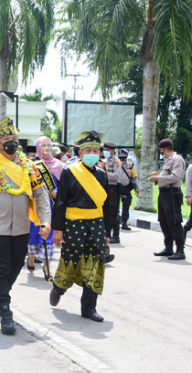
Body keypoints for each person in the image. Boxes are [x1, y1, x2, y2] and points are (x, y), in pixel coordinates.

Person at [0, 118, 51, 335]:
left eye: (14, 139)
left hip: (22, 228)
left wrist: (45, 220)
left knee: (16, 267)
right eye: (7, 140)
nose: (11, 143)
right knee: (2, 268)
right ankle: (6, 310)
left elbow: (42, 196)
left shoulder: (30, 167)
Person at [49, 130, 110, 322]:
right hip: (74, 224)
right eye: (88, 150)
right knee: (71, 262)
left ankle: (89, 308)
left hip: (96, 224)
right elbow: (61, 203)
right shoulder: (70, 171)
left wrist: (108, 232)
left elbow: (106, 206)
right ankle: (59, 287)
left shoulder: (102, 174)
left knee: (94, 264)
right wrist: (57, 230)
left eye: (95, 150)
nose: (92, 153)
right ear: (81, 153)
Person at [27, 136, 63, 281]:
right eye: (43, 145)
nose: (47, 148)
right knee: (35, 233)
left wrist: (58, 191)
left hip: (52, 205)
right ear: (38, 147)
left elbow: (65, 185)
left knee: (49, 234)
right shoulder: (32, 164)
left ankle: (47, 265)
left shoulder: (59, 165)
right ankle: (31, 257)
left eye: (49, 145)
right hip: (36, 205)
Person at [150, 139, 187, 260]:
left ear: (163, 149)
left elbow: (175, 176)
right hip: (164, 193)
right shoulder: (168, 160)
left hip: (172, 193)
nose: (161, 151)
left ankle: (180, 250)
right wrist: (158, 176)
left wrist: (158, 178)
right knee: (164, 221)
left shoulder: (177, 159)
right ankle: (168, 247)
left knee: (174, 221)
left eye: (161, 149)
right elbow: (166, 175)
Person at [103, 141, 125, 244]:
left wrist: (103, 174)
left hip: (113, 188)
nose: (105, 152)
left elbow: (116, 176)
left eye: (108, 150)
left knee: (113, 211)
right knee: (105, 211)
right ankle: (107, 233)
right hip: (104, 187)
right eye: (105, 150)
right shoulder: (103, 160)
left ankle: (116, 235)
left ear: (113, 151)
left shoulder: (116, 161)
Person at [118, 149, 140, 230]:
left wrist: (137, 189)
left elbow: (134, 177)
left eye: (124, 154)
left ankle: (124, 222)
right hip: (115, 187)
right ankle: (114, 221)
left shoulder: (130, 165)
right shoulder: (115, 163)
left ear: (127, 156)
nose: (122, 156)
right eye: (121, 154)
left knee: (126, 204)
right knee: (114, 205)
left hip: (126, 187)